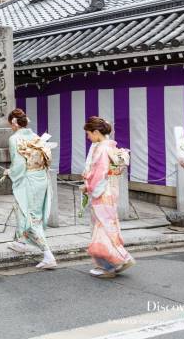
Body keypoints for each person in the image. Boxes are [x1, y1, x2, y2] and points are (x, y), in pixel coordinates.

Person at [81, 116, 135, 278]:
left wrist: (88, 186)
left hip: (102, 191)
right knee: (109, 225)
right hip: (111, 189)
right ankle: (119, 259)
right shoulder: (112, 146)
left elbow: (99, 173)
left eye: (89, 134)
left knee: (102, 228)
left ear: (96, 132)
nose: (88, 137)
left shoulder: (102, 148)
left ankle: (110, 265)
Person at [5, 109, 57, 269]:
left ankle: (48, 255)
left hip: (28, 179)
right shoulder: (35, 137)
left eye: (10, 124)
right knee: (24, 210)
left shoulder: (15, 139)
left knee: (30, 215)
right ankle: (20, 241)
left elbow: (19, 164)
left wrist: (10, 172)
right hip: (41, 177)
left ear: (14, 123)